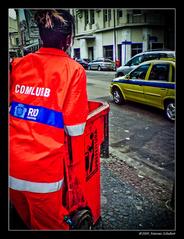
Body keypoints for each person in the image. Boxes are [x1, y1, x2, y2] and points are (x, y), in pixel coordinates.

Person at [9, 9, 89, 230]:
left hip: (12, 168)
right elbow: (75, 130)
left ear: (41, 36)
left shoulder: (17, 65)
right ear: (68, 39)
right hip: (43, 176)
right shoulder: (74, 71)